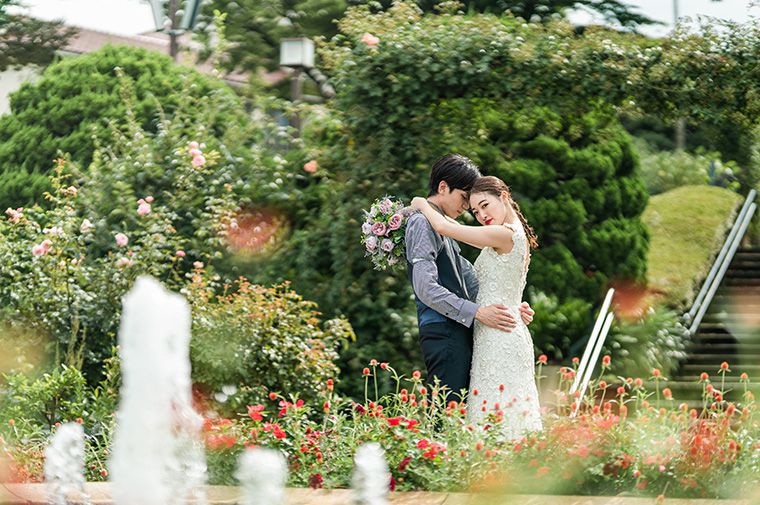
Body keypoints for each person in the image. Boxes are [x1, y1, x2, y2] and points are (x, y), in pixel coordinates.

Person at [411, 174, 542, 439]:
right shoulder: (508, 235)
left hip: (499, 338)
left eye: (485, 205)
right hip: (497, 329)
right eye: (475, 211)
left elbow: (446, 228)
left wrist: (421, 205)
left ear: (503, 197)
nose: (481, 215)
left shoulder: (505, 234)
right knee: (495, 413)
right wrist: (516, 306)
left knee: (498, 414)